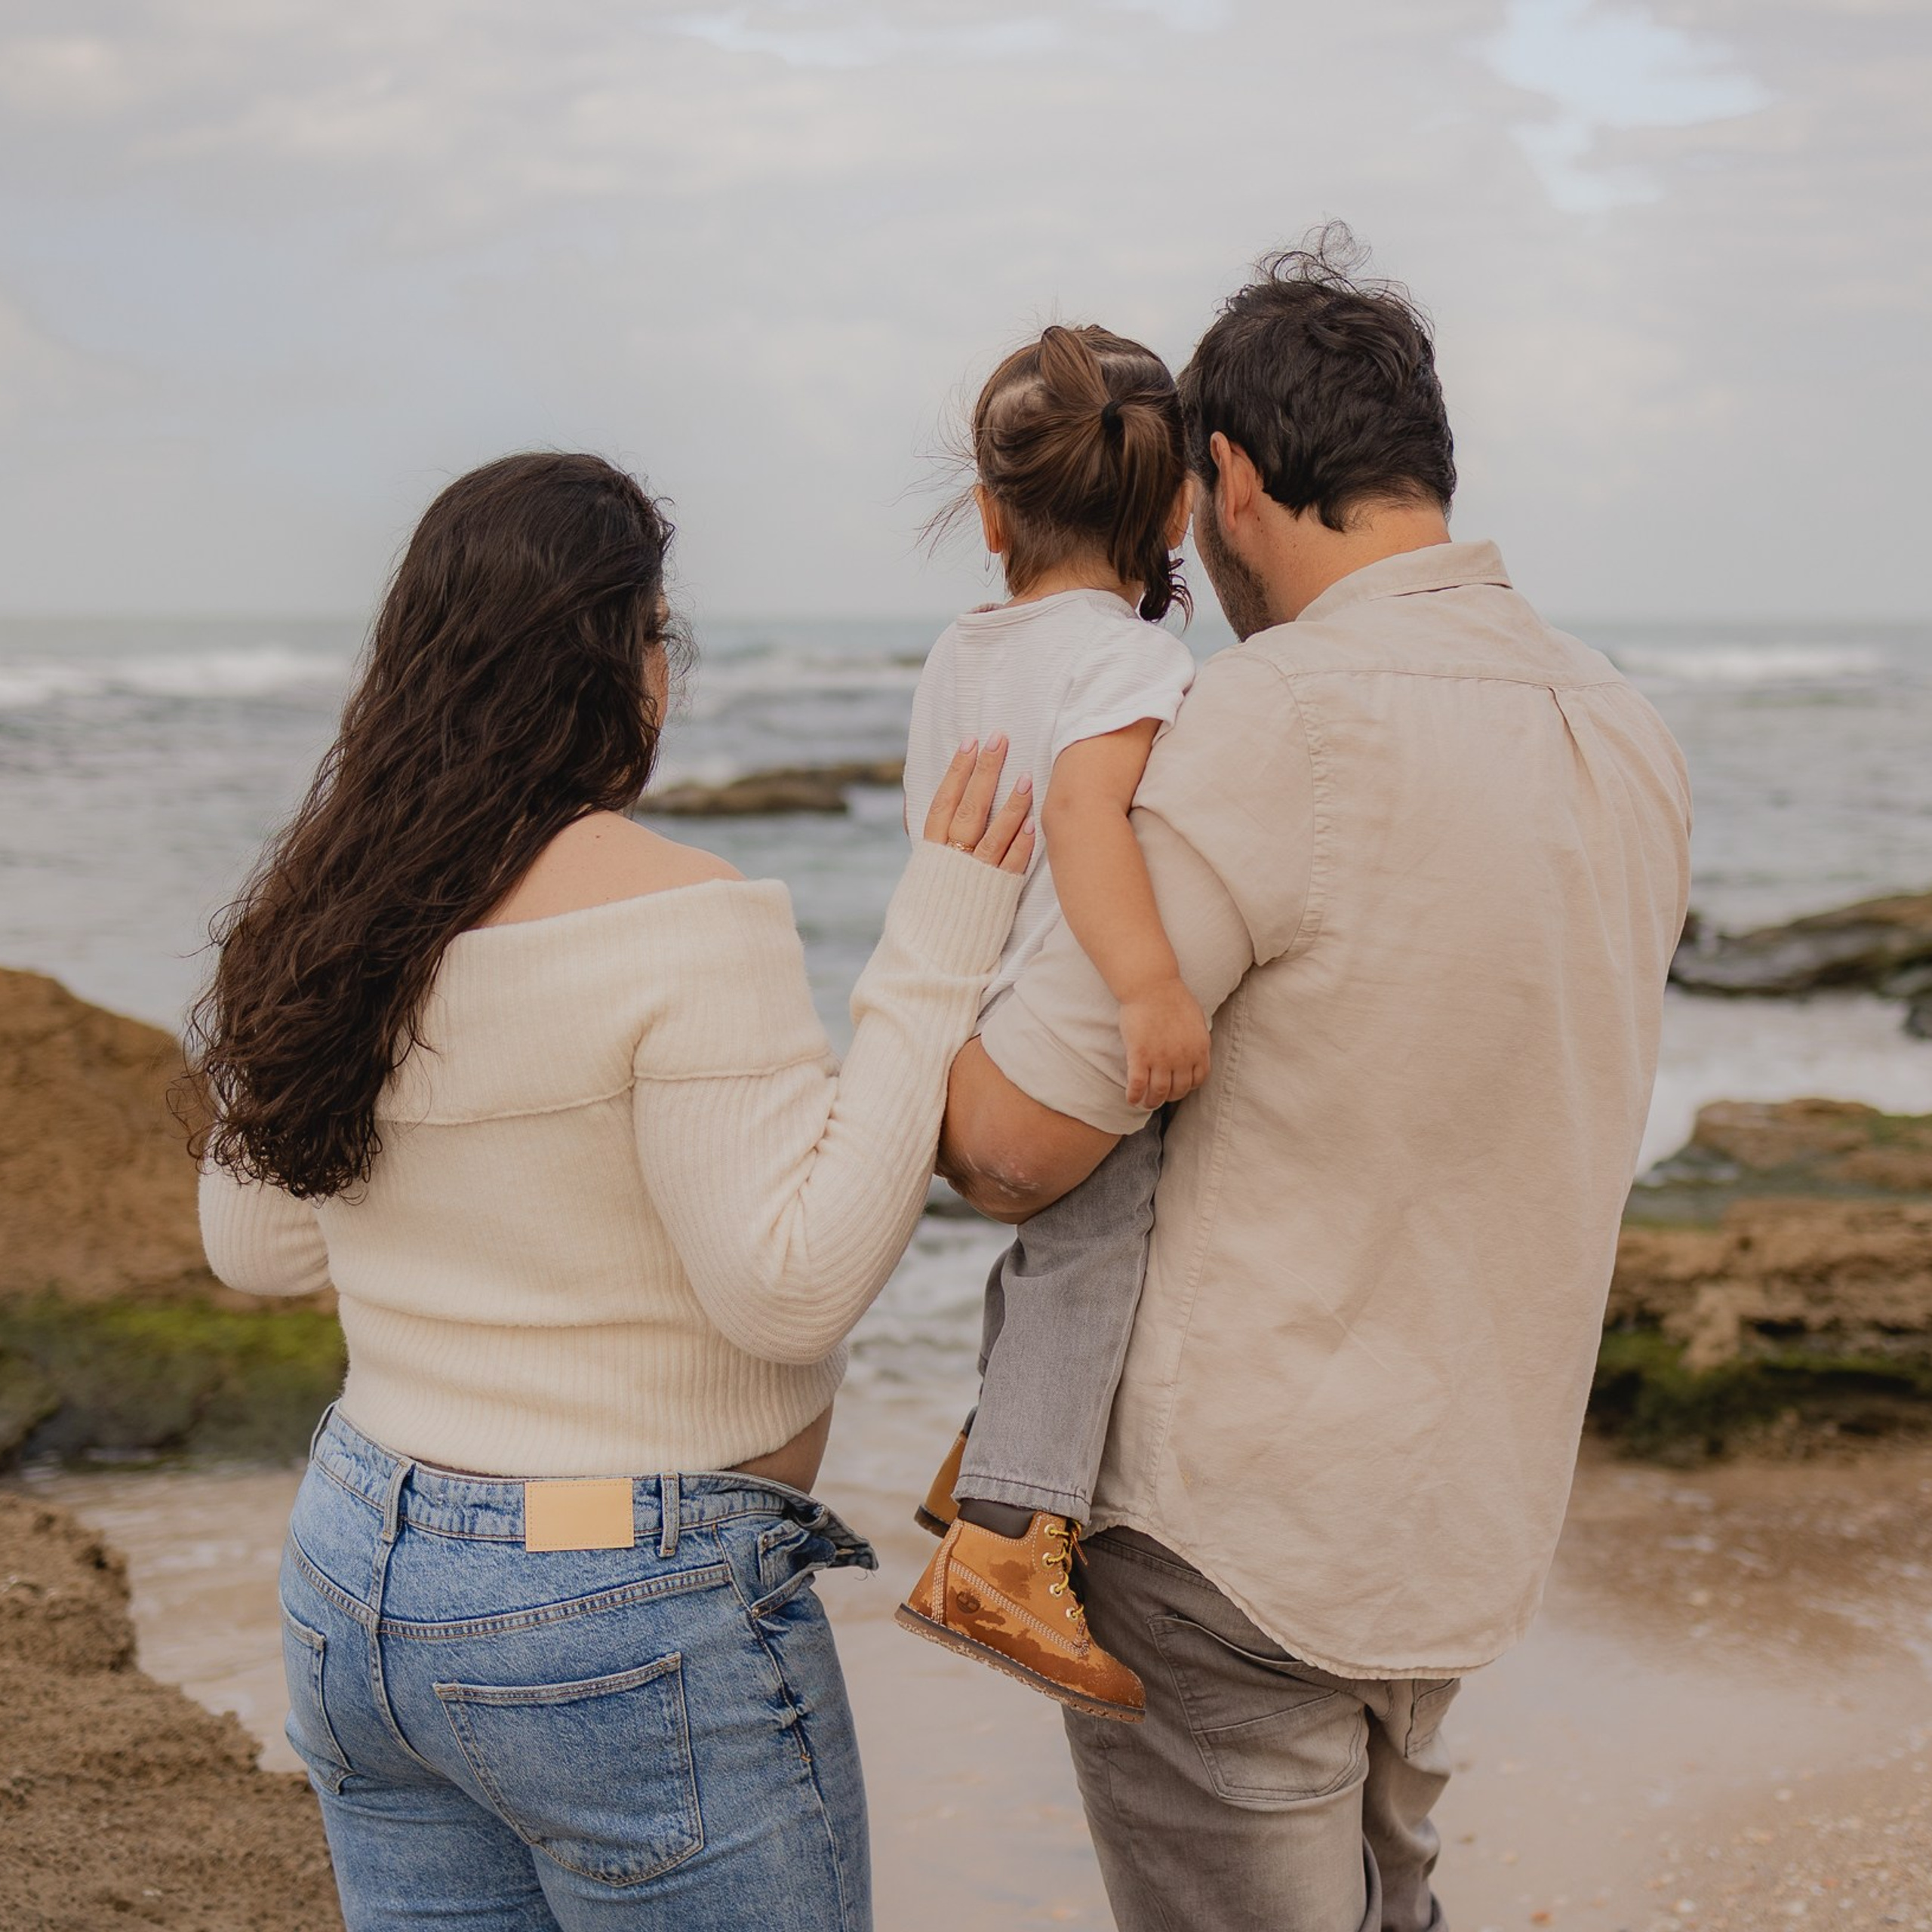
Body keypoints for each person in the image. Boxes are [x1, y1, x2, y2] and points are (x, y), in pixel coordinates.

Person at [938, 230, 1694, 1932]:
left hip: (1233, 1530)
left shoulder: (1271, 719)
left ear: (1229, 477)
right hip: (1465, 1517)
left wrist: (917, 998)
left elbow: (1008, 1142)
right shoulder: (1625, 731)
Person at [189, 451, 1031, 1932]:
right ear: (619, 660)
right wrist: (936, 942)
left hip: (355, 1570)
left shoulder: (337, 907)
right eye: (659, 638)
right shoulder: (678, 918)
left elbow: (249, 1244)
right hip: (611, 1610)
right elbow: (791, 1283)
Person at [895, 323, 1207, 1723]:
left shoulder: (966, 653)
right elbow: (1088, 816)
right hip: (1030, 1082)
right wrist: (1150, 987)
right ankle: (1011, 1543)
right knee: (1107, 1221)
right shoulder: (1132, 662)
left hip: (945, 1064)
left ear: (987, 511)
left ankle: (989, 1450)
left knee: (1057, 1241)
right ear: (1181, 506)